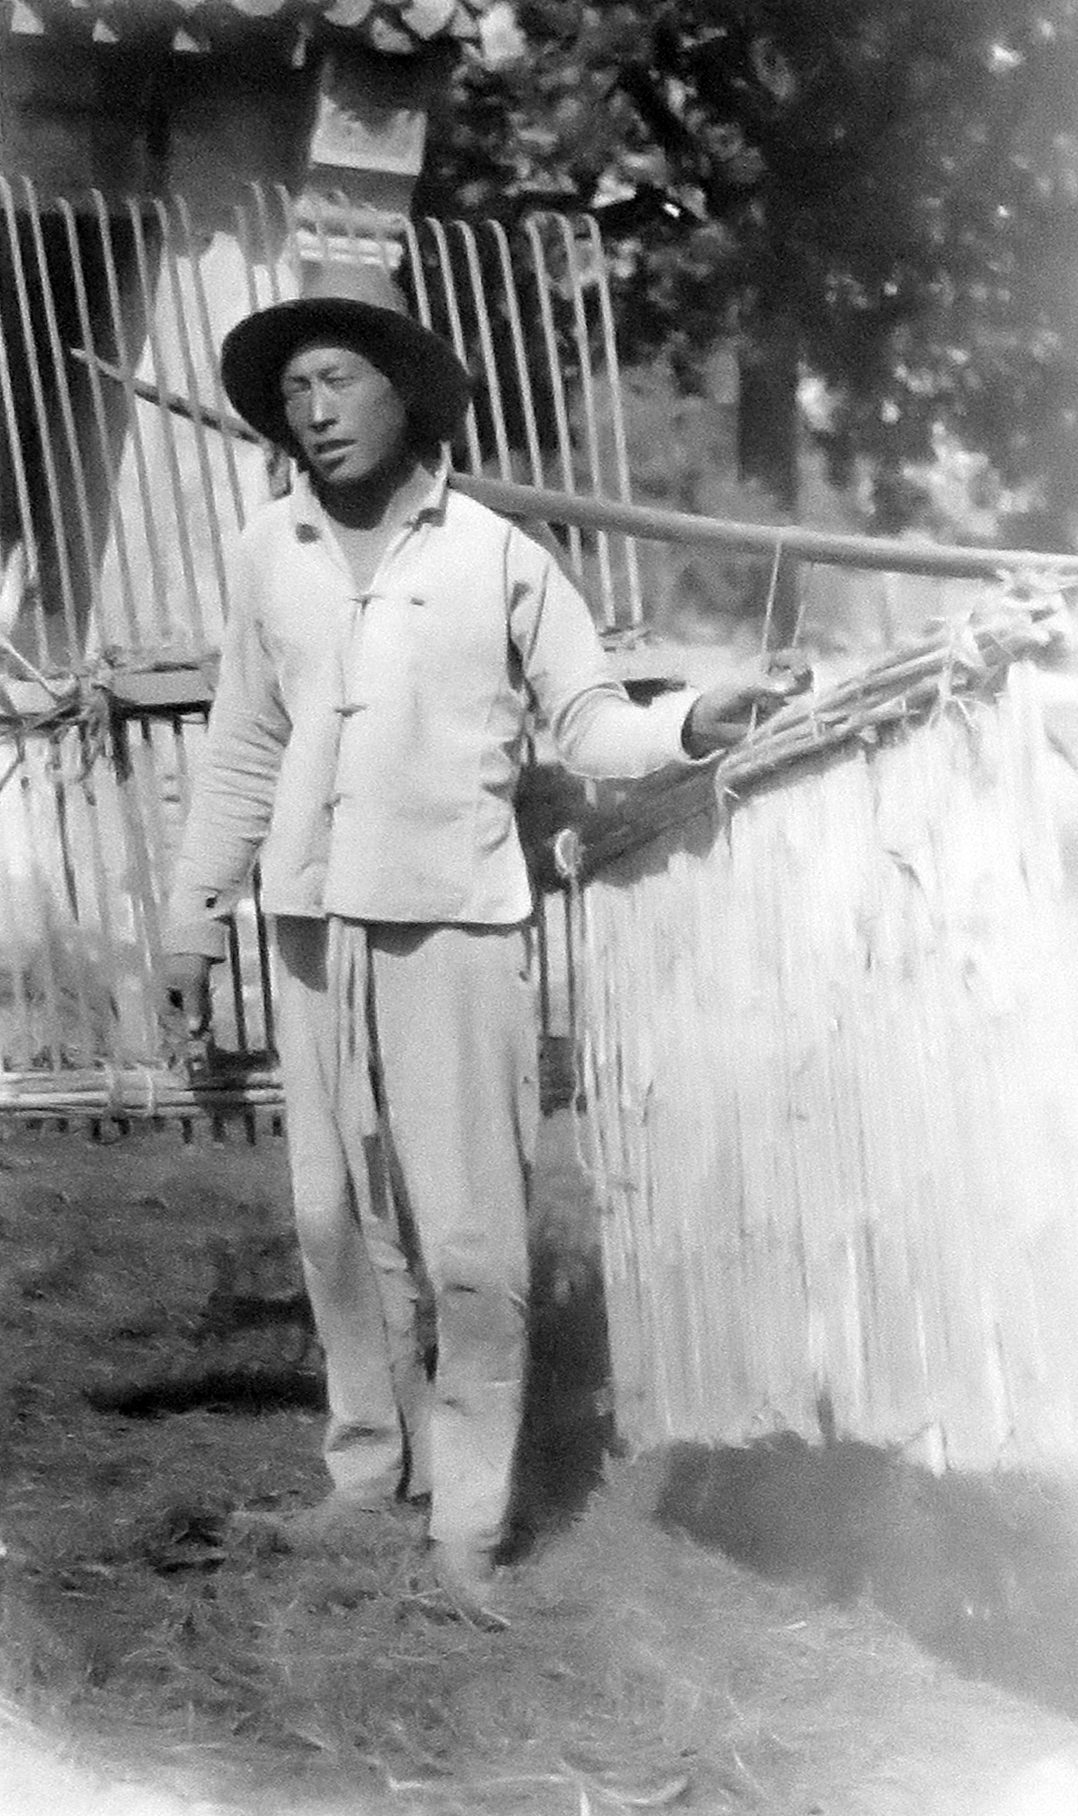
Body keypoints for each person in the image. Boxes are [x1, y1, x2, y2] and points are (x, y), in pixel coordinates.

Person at [161, 260, 802, 1625]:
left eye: (339, 380)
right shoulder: (266, 552)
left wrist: (692, 720)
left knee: (468, 1241)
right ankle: (364, 1475)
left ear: (405, 395)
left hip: (453, 920)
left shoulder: (499, 556)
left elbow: (587, 721)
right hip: (310, 921)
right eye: (293, 389)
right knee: (332, 1220)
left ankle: (466, 1523)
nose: (313, 411)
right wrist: (190, 918)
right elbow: (245, 743)